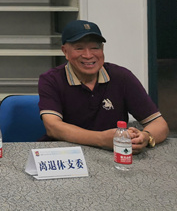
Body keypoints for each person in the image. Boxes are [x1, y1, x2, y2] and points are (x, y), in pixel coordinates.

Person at [38, 19, 169, 153]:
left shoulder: (122, 77)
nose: (88, 55)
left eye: (95, 48)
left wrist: (146, 137)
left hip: (113, 155)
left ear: (102, 49)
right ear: (65, 51)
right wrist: (101, 139)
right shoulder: (51, 80)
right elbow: (53, 127)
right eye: (79, 48)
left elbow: (159, 124)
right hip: (66, 154)